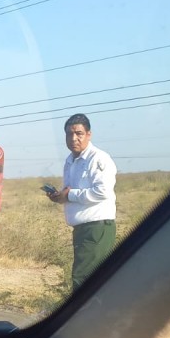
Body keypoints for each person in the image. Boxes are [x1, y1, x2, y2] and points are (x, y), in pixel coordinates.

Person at [47, 113, 117, 289]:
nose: (74, 138)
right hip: (82, 228)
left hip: (96, 227)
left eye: (79, 133)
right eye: (69, 134)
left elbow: (102, 191)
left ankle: (83, 316)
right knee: (91, 278)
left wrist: (69, 195)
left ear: (89, 134)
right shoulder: (70, 161)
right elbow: (72, 191)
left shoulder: (98, 159)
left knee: (83, 278)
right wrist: (60, 197)